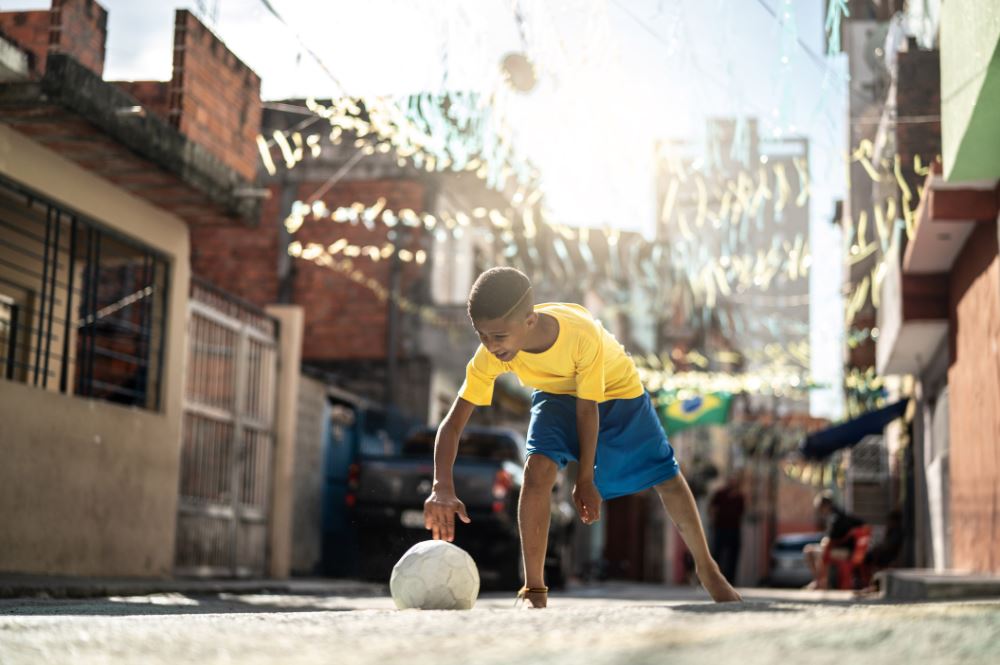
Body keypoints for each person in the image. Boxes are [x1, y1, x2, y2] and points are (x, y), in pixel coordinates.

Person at [423, 267, 741, 608]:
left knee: (666, 475)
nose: (490, 345)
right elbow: (452, 424)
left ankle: (707, 568)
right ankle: (534, 588)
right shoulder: (491, 355)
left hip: (617, 391)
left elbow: (587, 410)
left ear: (529, 321)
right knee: (537, 470)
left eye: (498, 336)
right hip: (555, 392)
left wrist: (586, 479)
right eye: (482, 335)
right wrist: (442, 485)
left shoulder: (579, 334)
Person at [803, 492, 866, 590]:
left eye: (820, 509)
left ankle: (819, 582)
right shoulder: (842, 514)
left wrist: (825, 543)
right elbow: (862, 524)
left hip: (843, 552)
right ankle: (820, 582)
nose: (820, 512)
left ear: (825, 506)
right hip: (849, 550)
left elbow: (829, 541)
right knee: (820, 550)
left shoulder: (834, 517)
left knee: (811, 551)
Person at [708, 473, 745, 584]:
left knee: (733, 556)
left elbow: (742, 512)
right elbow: (712, 508)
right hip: (721, 528)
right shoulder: (720, 494)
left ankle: (731, 580)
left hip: (734, 529)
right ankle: (715, 578)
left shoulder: (740, 497)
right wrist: (713, 520)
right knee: (717, 554)